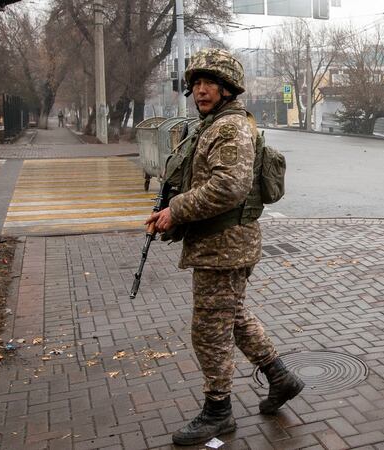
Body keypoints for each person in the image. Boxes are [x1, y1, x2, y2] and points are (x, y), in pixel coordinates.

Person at [145, 48, 304, 446]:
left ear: (227, 88)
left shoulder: (229, 128)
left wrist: (175, 212)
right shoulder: (212, 124)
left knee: (208, 331)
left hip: (225, 245)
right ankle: (280, 378)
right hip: (223, 243)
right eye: (196, 83)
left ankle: (219, 413)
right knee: (233, 318)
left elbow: (228, 187)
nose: (200, 90)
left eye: (209, 83)